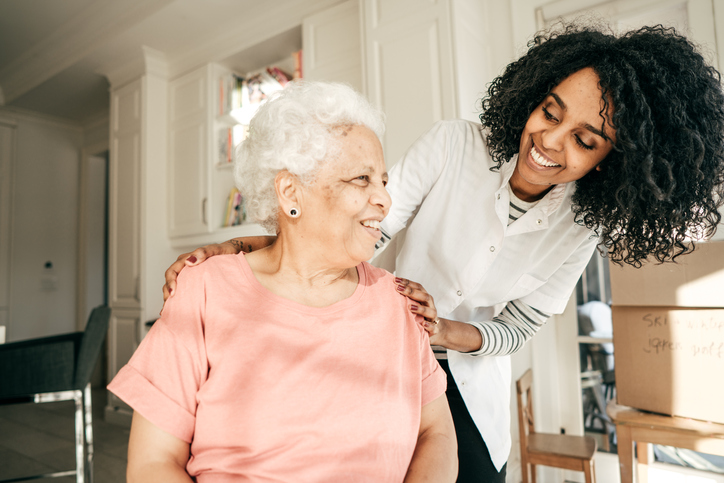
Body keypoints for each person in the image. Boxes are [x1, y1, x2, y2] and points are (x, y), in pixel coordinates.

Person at [161, 25, 724, 482]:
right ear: (533, 98)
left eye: (585, 139)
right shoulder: (455, 146)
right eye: (551, 112)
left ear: (612, 160)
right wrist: (258, 248)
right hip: (382, 356)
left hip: (472, 384)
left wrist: (448, 331)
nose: (551, 141)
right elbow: (368, 226)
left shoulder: (580, 227)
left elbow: (522, 323)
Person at [109, 81, 458, 482]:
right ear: (291, 191)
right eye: (362, 179)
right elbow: (154, 462)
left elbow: (437, 433)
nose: (385, 199)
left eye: (383, 180)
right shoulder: (203, 290)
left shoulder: (399, 302)